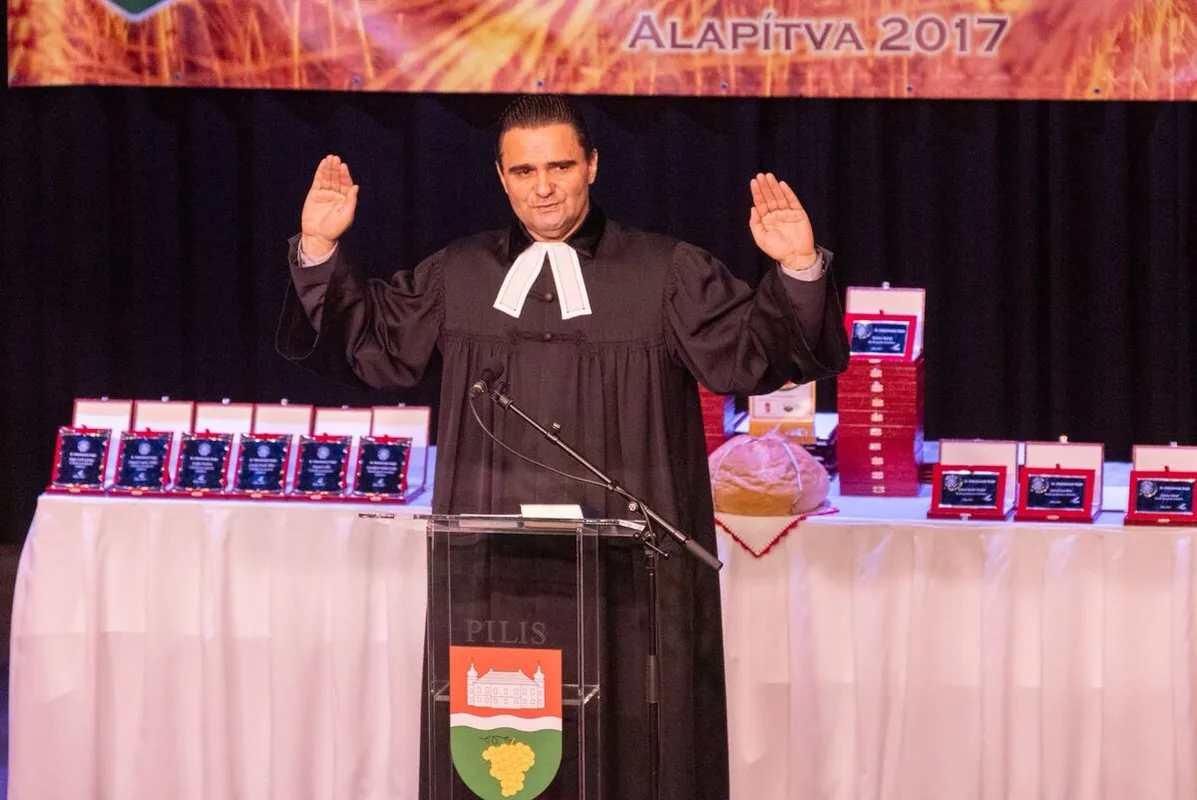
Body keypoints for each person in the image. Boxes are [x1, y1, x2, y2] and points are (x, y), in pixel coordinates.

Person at [277, 94, 848, 800]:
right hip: (496, 575)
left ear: (592, 166)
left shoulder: (665, 271)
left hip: (632, 580)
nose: (542, 187)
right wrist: (319, 250)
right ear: (501, 176)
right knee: (505, 760)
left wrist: (797, 268)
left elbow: (750, 357)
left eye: (560, 167)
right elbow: (371, 347)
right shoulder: (459, 274)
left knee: (639, 745)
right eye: (523, 171)